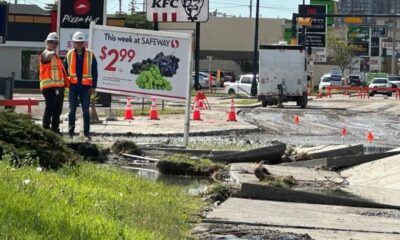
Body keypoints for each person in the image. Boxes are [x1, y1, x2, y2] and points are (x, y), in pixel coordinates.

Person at [64, 31, 98, 140]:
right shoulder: (69, 54)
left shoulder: (90, 54)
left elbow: (94, 72)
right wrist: (66, 84)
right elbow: (65, 71)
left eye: (81, 42)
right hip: (73, 87)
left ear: (84, 43)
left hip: (85, 88)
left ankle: (86, 133)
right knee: (71, 111)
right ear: (73, 43)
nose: (79, 44)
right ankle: (70, 134)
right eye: (77, 42)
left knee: (85, 111)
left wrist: (93, 86)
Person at [39, 32, 69, 134]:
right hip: (49, 88)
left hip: (59, 88)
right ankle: (46, 131)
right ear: (47, 43)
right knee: (50, 109)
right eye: (52, 42)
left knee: (57, 111)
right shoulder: (45, 53)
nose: (54, 45)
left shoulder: (57, 58)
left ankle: (55, 130)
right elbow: (46, 56)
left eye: (56, 43)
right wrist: (51, 52)